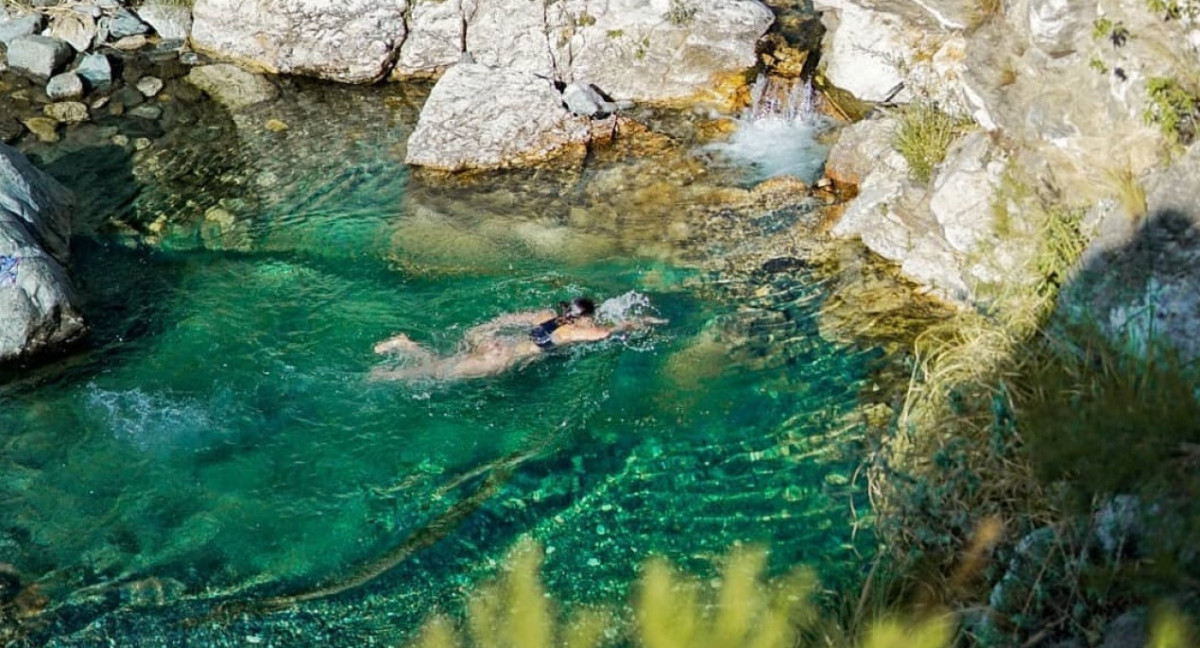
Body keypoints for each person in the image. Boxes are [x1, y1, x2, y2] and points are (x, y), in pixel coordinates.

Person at [368, 297, 667, 382]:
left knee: (443, 367)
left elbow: (505, 320)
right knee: (438, 375)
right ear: (582, 317)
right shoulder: (574, 332)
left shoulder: (544, 314)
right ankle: (402, 349)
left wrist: (482, 334)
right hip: (502, 358)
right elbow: (607, 332)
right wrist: (643, 322)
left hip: (495, 344)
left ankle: (404, 350)